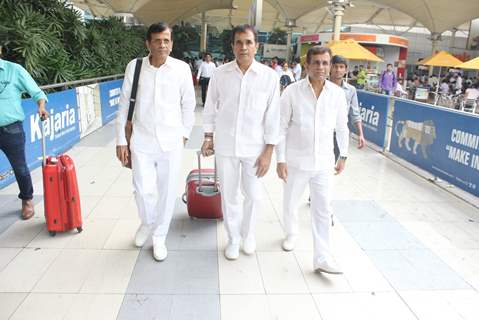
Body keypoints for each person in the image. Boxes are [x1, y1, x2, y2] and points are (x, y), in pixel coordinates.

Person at [116, 22, 196, 261]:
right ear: (148, 43)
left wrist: (184, 135)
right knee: (142, 189)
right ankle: (147, 222)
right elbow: (123, 104)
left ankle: (159, 236)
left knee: (167, 191)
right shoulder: (136, 66)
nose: (162, 45)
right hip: (141, 139)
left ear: (171, 44)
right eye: (157, 40)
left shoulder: (181, 69)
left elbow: (188, 105)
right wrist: (121, 140)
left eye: (166, 40)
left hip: (171, 141)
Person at [201, 24, 280, 260]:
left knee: (254, 195)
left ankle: (249, 234)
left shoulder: (269, 77)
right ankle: (234, 238)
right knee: (230, 196)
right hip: (225, 146)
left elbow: (273, 116)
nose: (243, 47)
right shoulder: (220, 73)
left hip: (255, 149)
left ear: (257, 46)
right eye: (239, 42)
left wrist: (268, 152)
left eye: (248, 42)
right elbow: (209, 108)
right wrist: (208, 137)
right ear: (233, 45)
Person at [276, 46, 349, 274]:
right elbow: (280, 127)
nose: (321, 67)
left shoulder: (337, 94)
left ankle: (322, 256)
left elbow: (341, 127)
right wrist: (280, 159)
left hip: (324, 163)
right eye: (316, 62)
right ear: (307, 65)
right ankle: (291, 233)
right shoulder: (292, 92)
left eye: (325, 63)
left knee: (323, 209)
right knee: (290, 203)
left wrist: (343, 154)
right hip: (296, 161)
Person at [0, 45, 49, 220]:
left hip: (10, 129)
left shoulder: (14, 70)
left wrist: (41, 106)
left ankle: (27, 199)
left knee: (20, 168)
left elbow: (36, 92)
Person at [330, 55, 365, 154]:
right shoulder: (322, 86)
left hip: (340, 133)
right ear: (330, 68)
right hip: (322, 132)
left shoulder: (351, 90)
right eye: (335, 66)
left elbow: (355, 113)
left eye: (341, 67)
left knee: (334, 164)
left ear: (346, 70)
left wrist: (360, 134)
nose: (338, 70)